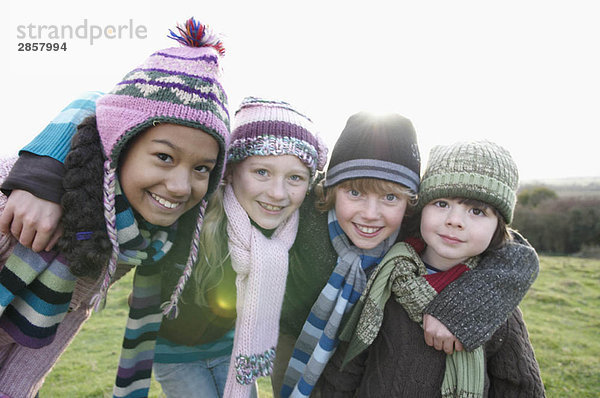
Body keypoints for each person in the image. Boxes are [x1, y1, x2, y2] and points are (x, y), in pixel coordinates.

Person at [0, 94, 327, 397]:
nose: (277, 193)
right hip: (178, 355)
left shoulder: (294, 224)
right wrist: (39, 177)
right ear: (228, 172)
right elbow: (101, 104)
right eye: (261, 172)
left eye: (295, 178)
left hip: (231, 350)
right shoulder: (191, 210)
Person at [0, 18, 230, 398]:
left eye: (202, 168)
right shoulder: (20, 197)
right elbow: (97, 104)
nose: (180, 186)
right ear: (119, 146)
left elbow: (57, 326)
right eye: (163, 156)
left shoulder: (133, 237)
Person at [274, 117, 541, 398]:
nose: (370, 213)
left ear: (411, 204)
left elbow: (517, 254)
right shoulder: (308, 216)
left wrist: (465, 307)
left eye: (390, 197)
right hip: (295, 343)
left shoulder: (484, 294)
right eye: (355, 192)